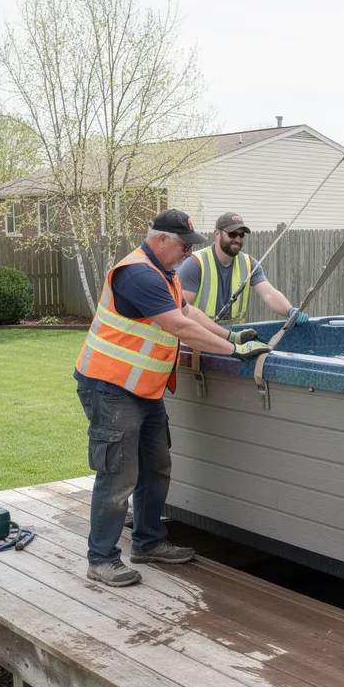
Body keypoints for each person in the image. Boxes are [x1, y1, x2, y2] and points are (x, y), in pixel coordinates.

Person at [74, 209, 271, 587]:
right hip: (110, 388)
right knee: (118, 475)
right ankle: (101, 559)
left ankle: (148, 542)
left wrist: (231, 337)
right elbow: (179, 326)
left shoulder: (163, 272)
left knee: (157, 466)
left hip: (144, 388)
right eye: (182, 246)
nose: (186, 254)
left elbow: (186, 310)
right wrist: (233, 354)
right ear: (161, 239)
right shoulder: (137, 274)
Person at [177, 212, 309, 326]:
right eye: (232, 234)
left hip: (234, 338)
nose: (238, 239)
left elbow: (269, 293)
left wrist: (290, 311)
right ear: (217, 234)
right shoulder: (195, 263)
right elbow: (181, 310)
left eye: (241, 235)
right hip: (199, 342)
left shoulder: (249, 264)